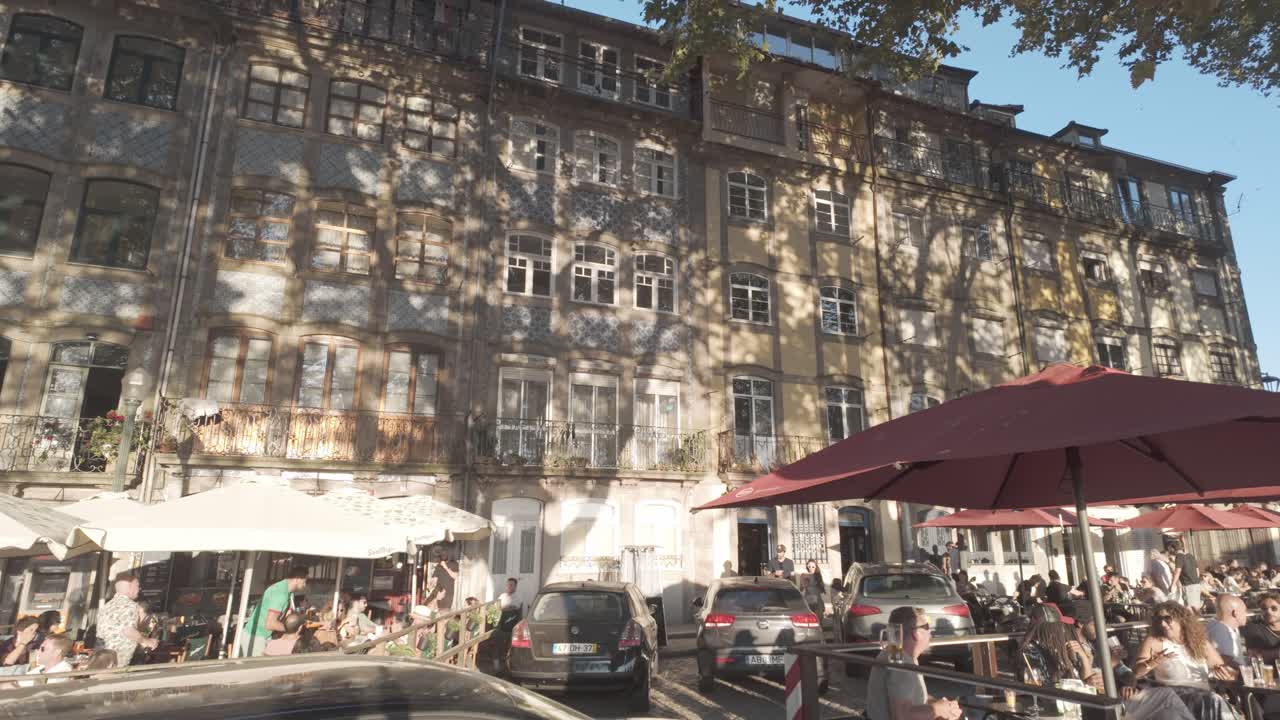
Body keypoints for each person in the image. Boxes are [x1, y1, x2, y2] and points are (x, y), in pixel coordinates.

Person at [1134, 601, 1238, 720]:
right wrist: (1151, 663)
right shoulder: (1155, 641)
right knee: (1215, 701)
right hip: (1174, 697)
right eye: (1158, 619)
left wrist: (1226, 674)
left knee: (1216, 702)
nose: (1162, 624)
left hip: (1203, 695)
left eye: (1167, 619)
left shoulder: (1199, 642)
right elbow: (1137, 673)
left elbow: (1221, 667)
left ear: (1181, 619)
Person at [866, 606, 962, 720]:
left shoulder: (896, 652)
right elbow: (901, 716)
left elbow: (909, 696)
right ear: (916, 633)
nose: (931, 632)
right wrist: (939, 709)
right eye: (927, 626)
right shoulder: (901, 664)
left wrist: (939, 703)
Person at [1020, 605, 1103, 689]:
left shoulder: (1062, 647)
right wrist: (1084, 685)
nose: (1063, 630)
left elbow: (1087, 681)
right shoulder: (1031, 651)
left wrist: (1085, 660)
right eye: (1059, 626)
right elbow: (1042, 690)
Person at [241, 565, 308, 657]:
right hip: (256, 637)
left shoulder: (288, 592)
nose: (305, 584)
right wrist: (292, 629)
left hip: (262, 635)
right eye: (305, 581)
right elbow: (270, 624)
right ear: (297, 579)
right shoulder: (280, 593)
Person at [96, 573, 158, 666]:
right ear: (130, 587)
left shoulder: (107, 606)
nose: (139, 589)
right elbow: (129, 631)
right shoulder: (129, 606)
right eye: (137, 586)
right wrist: (147, 641)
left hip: (103, 658)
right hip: (118, 660)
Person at [1080, 617, 1135, 687]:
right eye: (1094, 624)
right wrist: (1113, 661)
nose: (1100, 628)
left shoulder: (1096, 644)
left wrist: (1127, 686)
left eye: (1102, 624)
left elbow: (1123, 670)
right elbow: (1094, 679)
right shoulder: (1076, 648)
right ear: (1080, 624)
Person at [1204, 594, 1248, 667]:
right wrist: (1247, 670)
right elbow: (1225, 660)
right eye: (1244, 611)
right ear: (1235, 613)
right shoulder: (1221, 630)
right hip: (1230, 676)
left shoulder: (1231, 627)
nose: (1246, 614)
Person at [1241, 592, 1280, 661]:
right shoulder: (1254, 627)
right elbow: (1253, 654)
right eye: (1264, 608)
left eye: (1274, 608)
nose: (1268, 612)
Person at [1171, 542, 1202, 611]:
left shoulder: (1179, 556)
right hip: (1196, 584)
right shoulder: (1190, 555)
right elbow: (1197, 571)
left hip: (1188, 585)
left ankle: (1194, 621)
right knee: (1196, 608)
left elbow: (1177, 571)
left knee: (1190, 609)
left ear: (1172, 549)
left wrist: (1173, 584)